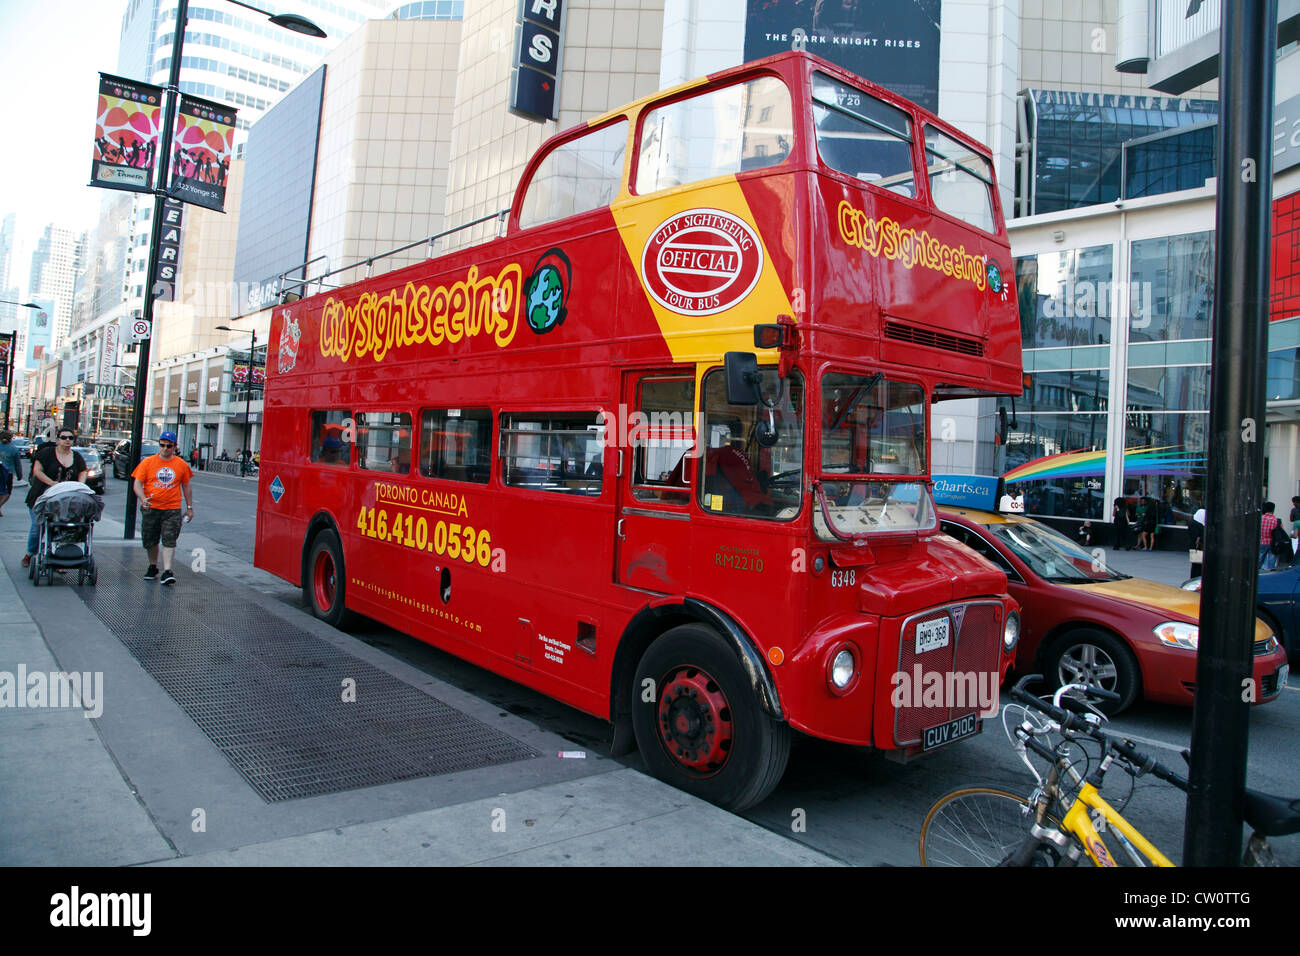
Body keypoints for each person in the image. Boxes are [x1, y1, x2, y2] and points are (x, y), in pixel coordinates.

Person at [131, 430, 194, 586]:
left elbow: (186, 486)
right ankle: (153, 566)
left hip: (171, 509)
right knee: (150, 540)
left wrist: (189, 507)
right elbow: (137, 483)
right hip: (151, 507)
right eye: (162, 445)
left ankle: (167, 571)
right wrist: (142, 498)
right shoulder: (147, 462)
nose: (165, 449)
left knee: (169, 540)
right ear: (159, 445)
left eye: (169, 446)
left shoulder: (181, 465)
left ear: (174, 447)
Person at [22, 429, 88, 567]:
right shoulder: (46, 454)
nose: (67, 440)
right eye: (64, 437)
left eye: (70, 437)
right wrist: (52, 483)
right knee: (37, 527)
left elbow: (83, 471)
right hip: (41, 497)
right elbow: (37, 471)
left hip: (64, 501)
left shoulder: (77, 457)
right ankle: (30, 554)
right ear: (58, 439)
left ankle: (57, 557)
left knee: (61, 529)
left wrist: (80, 485)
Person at [0, 430, 23, 517]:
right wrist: (19, 475)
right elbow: (17, 464)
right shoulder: (14, 449)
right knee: (7, 492)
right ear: (10, 439)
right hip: (8, 473)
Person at [1260, 501, 1281, 571]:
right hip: (1273, 544)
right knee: (1270, 564)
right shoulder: (1277, 521)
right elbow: (1280, 533)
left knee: (1259, 561)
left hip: (1261, 542)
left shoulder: (1260, 519)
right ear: (1273, 509)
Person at [1187, 508, 1205, 578]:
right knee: (1198, 567)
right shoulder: (1197, 525)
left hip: (1195, 547)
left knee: (1196, 566)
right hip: (1198, 548)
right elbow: (1196, 537)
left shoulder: (1193, 523)